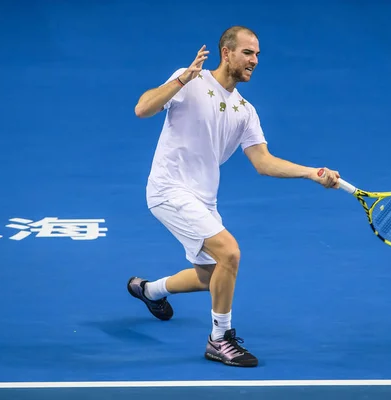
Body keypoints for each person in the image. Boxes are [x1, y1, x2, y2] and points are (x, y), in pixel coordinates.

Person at [127, 26, 340, 368]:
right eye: (247, 53)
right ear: (226, 53)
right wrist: (182, 79)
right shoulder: (189, 79)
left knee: (213, 276)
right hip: (168, 189)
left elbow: (263, 161)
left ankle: (149, 290)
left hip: (203, 198)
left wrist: (311, 173)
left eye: (257, 55)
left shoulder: (245, 111)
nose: (254, 60)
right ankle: (219, 339)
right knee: (230, 253)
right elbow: (142, 108)